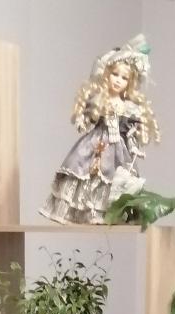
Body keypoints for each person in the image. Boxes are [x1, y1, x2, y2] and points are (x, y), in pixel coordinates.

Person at [40, 36, 160, 225]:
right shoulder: (101, 100)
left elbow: (129, 130)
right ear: (106, 74)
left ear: (129, 83)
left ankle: (107, 213)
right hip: (96, 144)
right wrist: (84, 118)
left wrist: (133, 143)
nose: (118, 80)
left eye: (124, 78)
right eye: (115, 75)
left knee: (113, 178)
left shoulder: (128, 107)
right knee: (86, 173)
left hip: (118, 149)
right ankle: (89, 212)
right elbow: (88, 115)